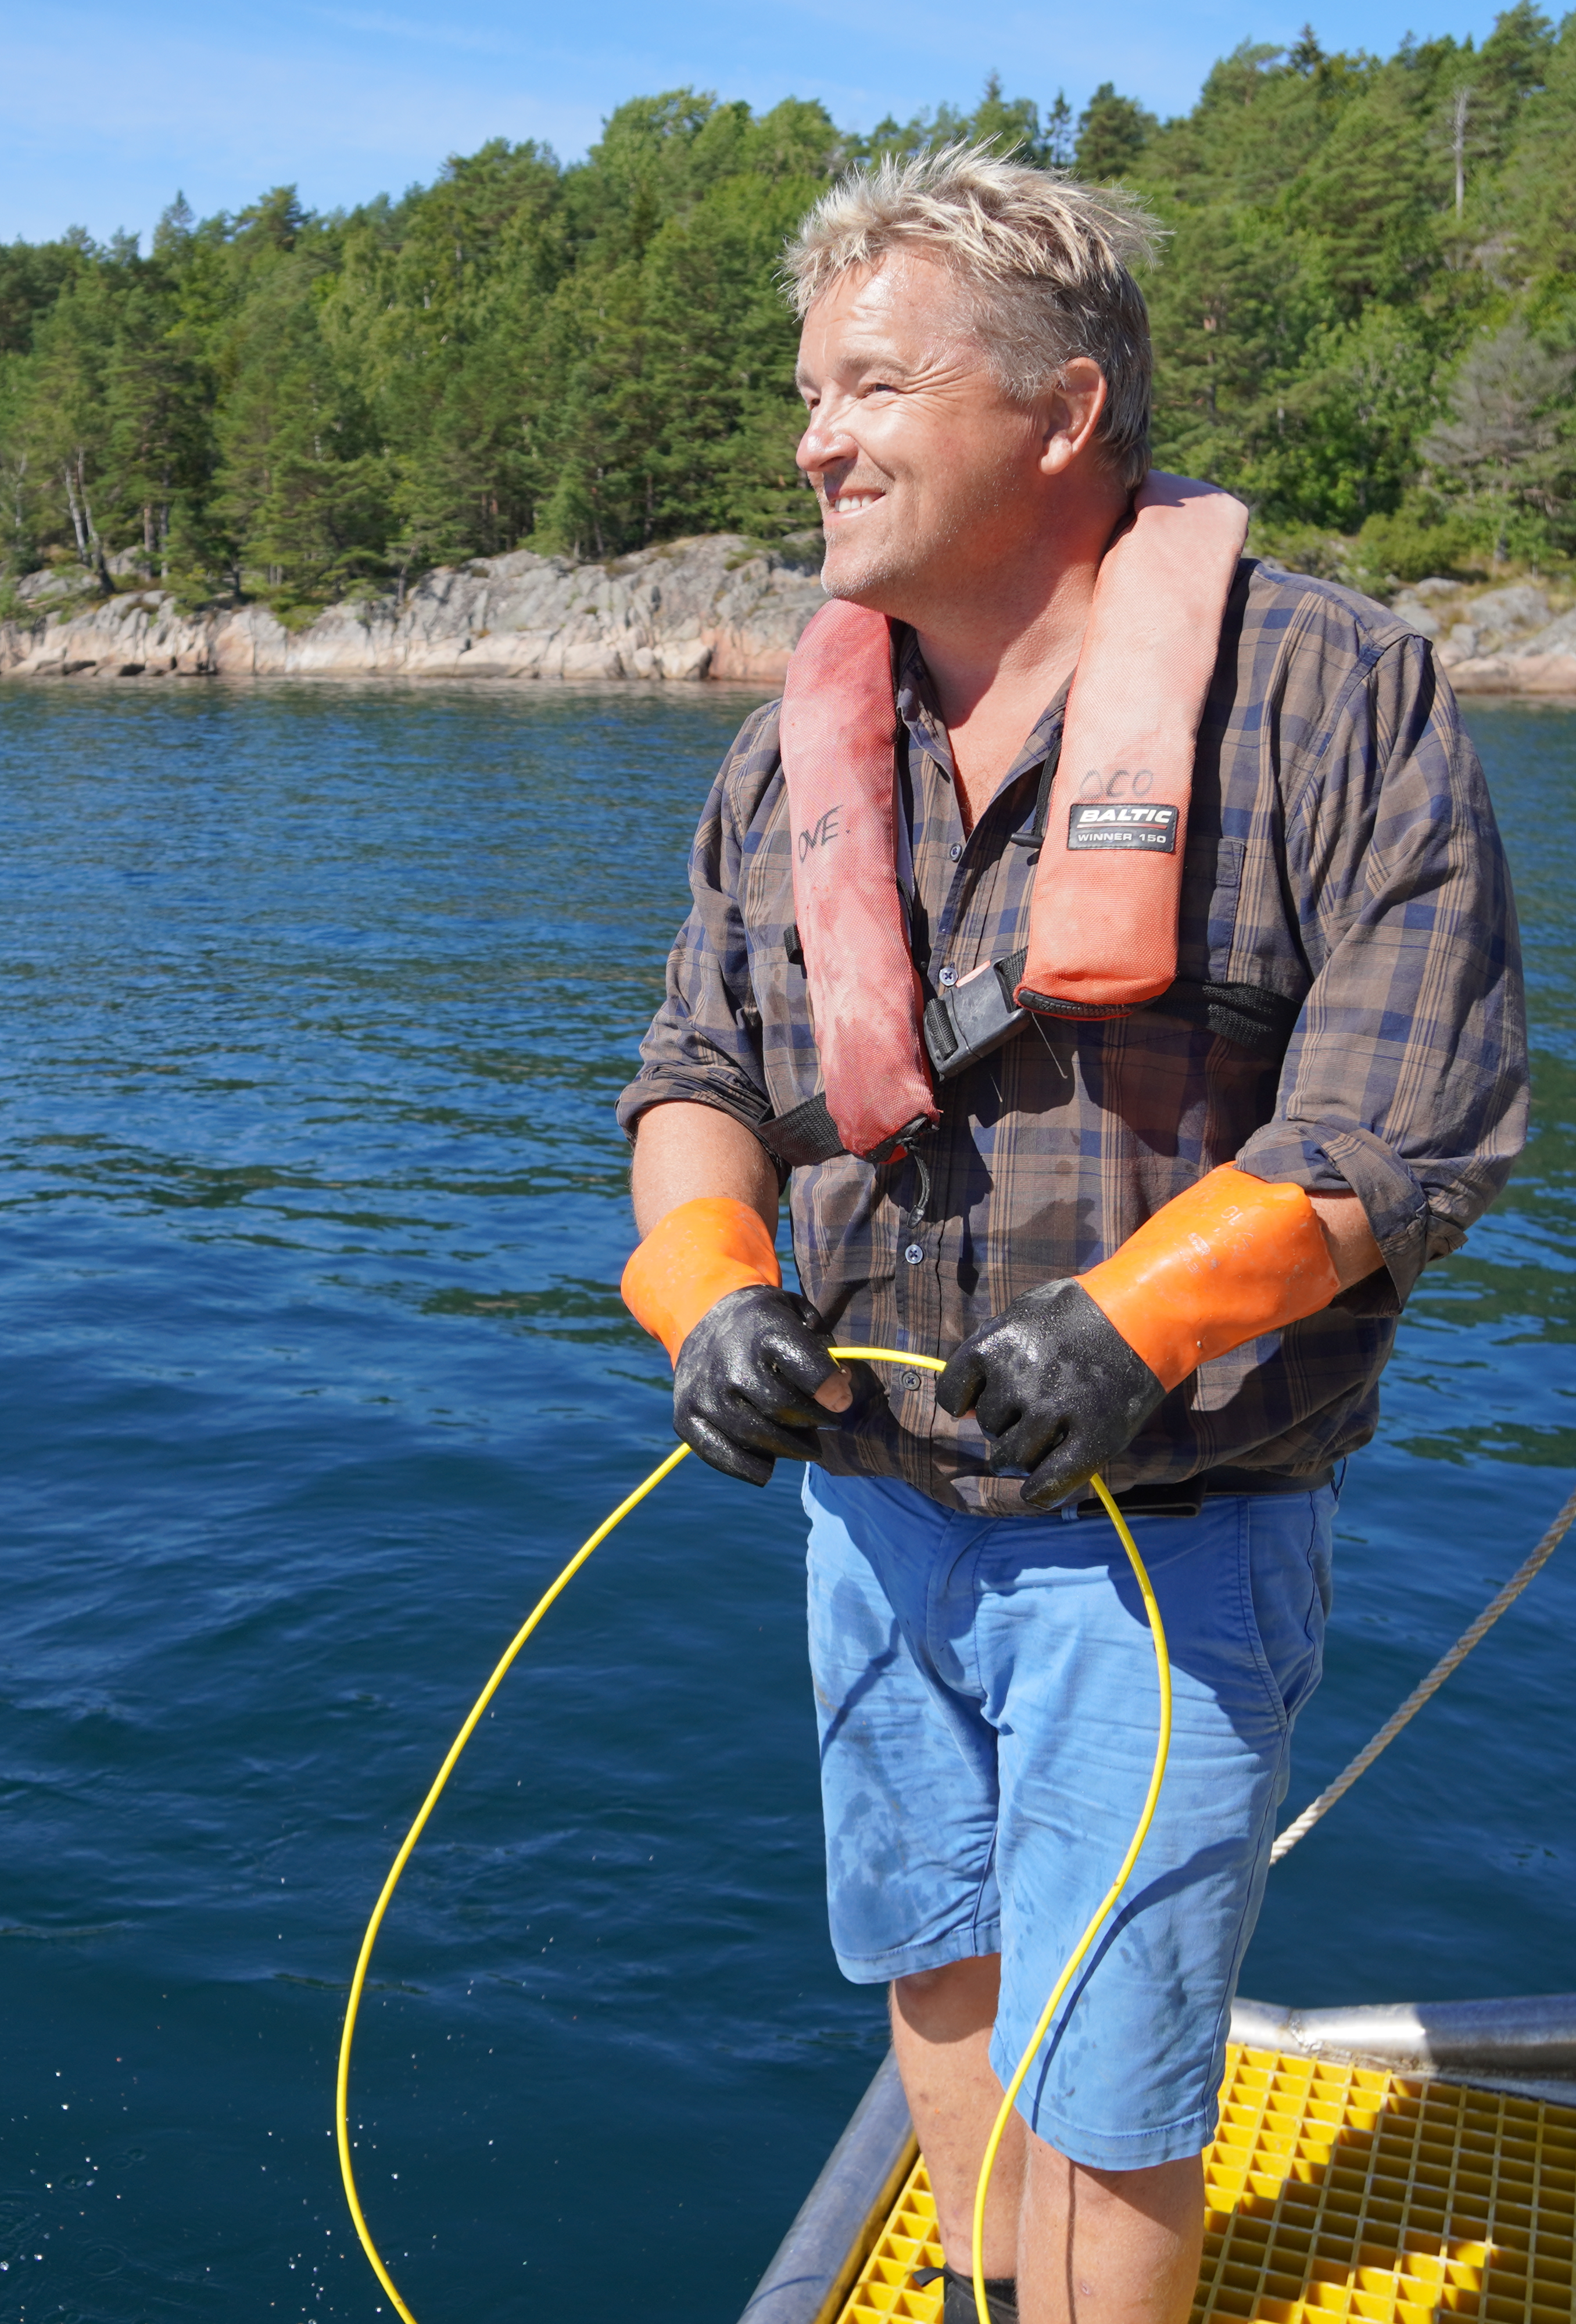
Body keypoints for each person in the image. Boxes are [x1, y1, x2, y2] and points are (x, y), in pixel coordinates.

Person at [613, 148, 1528, 2324]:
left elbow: (1411, 1121)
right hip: (870, 1520)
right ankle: (980, 2300)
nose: (814, 435)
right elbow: (691, 1088)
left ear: (1060, 410)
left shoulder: (1333, 695)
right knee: (933, 1957)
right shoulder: (785, 756)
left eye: (873, 385)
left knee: (1116, 2074)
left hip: (1170, 1536)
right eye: (809, 389)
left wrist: (1138, 1325)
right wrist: (712, 1297)